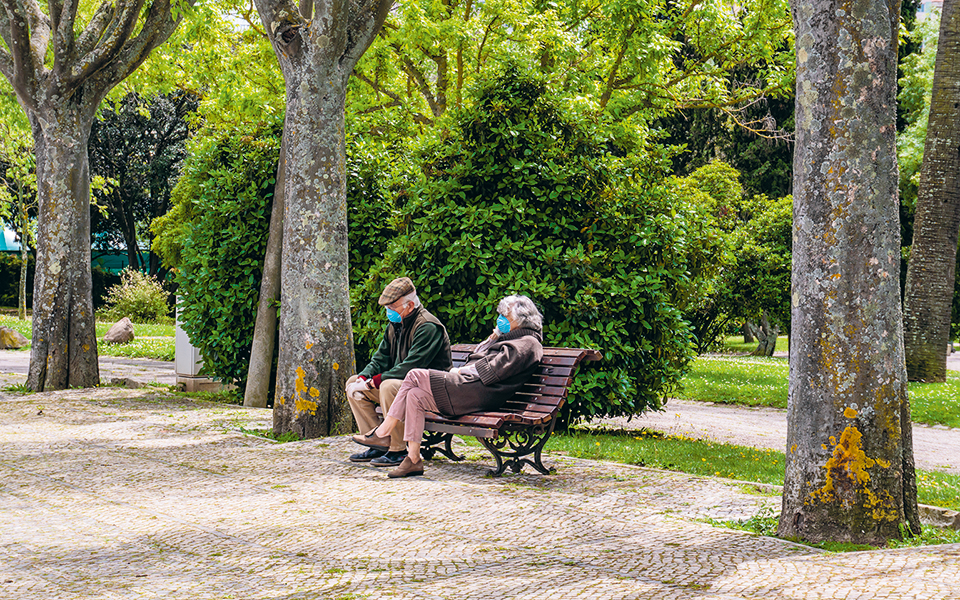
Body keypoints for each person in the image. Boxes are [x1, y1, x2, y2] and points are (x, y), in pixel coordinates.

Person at [353, 294, 544, 478]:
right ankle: (412, 459)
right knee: (415, 396)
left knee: (413, 375)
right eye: (500, 315)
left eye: (505, 316)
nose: (500, 319)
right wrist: (494, 336)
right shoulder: (510, 338)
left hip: (477, 391)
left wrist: (460, 372)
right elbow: (478, 355)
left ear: (521, 319)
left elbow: (492, 370)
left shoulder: (528, 343)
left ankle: (383, 431)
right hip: (471, 389)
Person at [345, 277, 452, 467]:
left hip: (430, 391)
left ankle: (398, 449)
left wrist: (376, 381)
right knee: (353, 383)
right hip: (404, 387)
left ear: (410, 305)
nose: (388, 312)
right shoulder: (395, 325)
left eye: (392, 307)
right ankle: (378, 443)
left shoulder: (428, 326)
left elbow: (411, 367)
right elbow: (380, 358)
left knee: (389, 386)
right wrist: (363, 378)